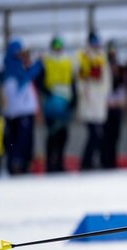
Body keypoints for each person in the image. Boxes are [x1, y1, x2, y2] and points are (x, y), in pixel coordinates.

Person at [1, 39, 43, 175]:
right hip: (19, 112)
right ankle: (18, 166)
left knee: (20, 141)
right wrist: (38, 64)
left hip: (18, 112)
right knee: (21, 142)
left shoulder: (13, 67)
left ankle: (20, 165)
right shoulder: (13, 68)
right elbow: (28, 76)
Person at [37, 35, 76, 172]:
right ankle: (50, 164)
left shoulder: (68, 61)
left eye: (60, 46)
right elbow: (40, 81)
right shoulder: (47, 61)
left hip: (65, 101)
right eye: (56, 46)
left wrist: (74, 99)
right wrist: (48, 92)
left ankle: (59, 162)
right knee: (52, 133)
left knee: (63, 134)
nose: (58, 49)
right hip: (52, 103)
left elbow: (72, 80)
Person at [77, 31, 111, 170]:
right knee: (94, 133)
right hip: (88, 100)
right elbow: (80, 79)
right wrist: (84, 93)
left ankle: (91, 161)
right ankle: (86, 162)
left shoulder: (102, 57)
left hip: (99, 101)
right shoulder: (83, 57)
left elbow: (106, 80)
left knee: (98, 134)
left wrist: (105, 96)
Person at [103, 40, 127, 169]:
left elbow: (122, 85)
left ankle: (113, 161)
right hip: (106, 105)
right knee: (106, 136)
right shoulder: (103, 66)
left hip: (116, 104)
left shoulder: (119, 67)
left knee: (115, 136)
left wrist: (124, 100)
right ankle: (105, 161)